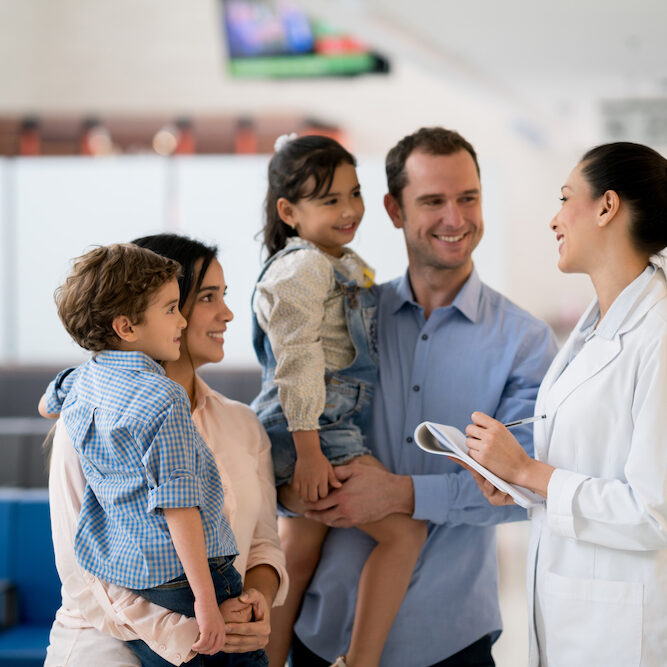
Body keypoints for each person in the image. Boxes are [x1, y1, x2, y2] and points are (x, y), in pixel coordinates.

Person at [288, 127, 559, 666]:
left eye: (468, 198)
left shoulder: (525, 343)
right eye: (433, 201)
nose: (455, 219)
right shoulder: (342, 318)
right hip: (322, 636)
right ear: (393, 209)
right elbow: (289, 431)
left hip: (451, 642)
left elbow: (523, 491)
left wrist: (401, 494)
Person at [464, 142, 667, 666]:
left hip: (622, 630)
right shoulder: (593, 327)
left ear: (607, 207)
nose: (554, 218)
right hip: (570, 613)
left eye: (565, 198)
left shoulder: (659, 332)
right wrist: (521, 488)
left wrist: (532, 472)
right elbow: (586, 466)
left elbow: (653, 512)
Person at [44, 235, 287, 667]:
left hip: (217, 626)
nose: (227, 313)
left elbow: (266, 544)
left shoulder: (244, 425)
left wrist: (253, 605)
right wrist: (195, 626)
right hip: (107, 645)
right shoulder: (92, 417)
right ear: (130, 322)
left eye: (225, 296)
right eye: (206, 297)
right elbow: (85, 573)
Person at [251, 134, 427, 667]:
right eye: (330, 201)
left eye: (355, 193)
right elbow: (298, 360)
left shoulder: (337, 261)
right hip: (316, 433)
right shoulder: (303, 267)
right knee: (405, 532)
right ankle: (361, 661)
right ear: (289, 211)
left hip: (311, 431)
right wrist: (310, 454)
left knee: (297, 555)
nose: (350, 210)